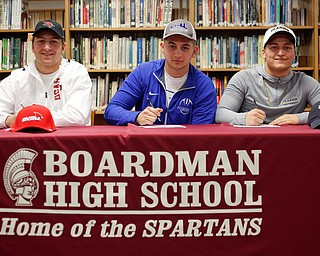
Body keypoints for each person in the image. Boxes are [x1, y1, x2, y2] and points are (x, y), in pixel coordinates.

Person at [104, 19, 216, 126]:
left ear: (194, 51)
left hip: (183, 145)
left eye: (185, 48)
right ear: (162, 47)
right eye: (172, 46)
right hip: (146, 143)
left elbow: (200, 132)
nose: (178, 54)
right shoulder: (143, 73)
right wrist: (137, 117)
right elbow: (112, 110)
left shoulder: (204, 85)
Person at [215, 25, 320, 126]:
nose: (280, 53)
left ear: (294, 54)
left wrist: (300, 118)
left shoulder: (306, 82)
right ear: (263, 53)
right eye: (274, 47)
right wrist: (244, 118)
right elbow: (220, 114)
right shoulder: (243, 78)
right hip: (252, 141)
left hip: (289, 141)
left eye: (287, 48)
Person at [0, 20, 93, 128]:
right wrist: (8, 119)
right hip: (26, 142)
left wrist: (27, 119)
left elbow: (77, 117)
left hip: (67, 142)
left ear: (63, 47)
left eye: (53, 42)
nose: (47, 47)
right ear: (32, 47)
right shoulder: (16, 78)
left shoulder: (76, 72)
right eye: (41, 41)